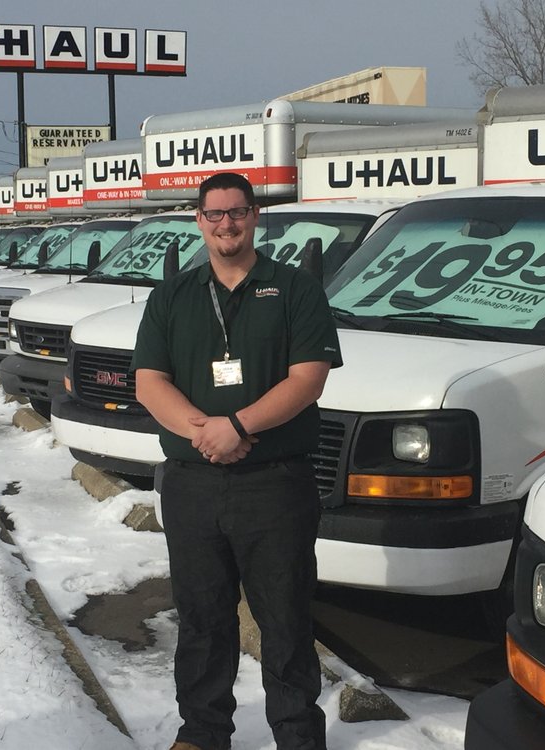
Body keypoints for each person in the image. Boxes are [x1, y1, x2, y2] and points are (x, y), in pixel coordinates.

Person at [132, 171, 341, 750]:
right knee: (202, 617)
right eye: (215, 213)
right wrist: (207, 434)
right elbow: (150, 382)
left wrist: (240, 426)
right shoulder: (172, 295)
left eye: (238, 212)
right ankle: (202, 733)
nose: (227, 223)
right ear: (199, 221)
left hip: (275, 485)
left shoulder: (295, 288)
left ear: (254, 217)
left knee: (285, 619)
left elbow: (309, 379)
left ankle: (298, 737)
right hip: (192, 484)